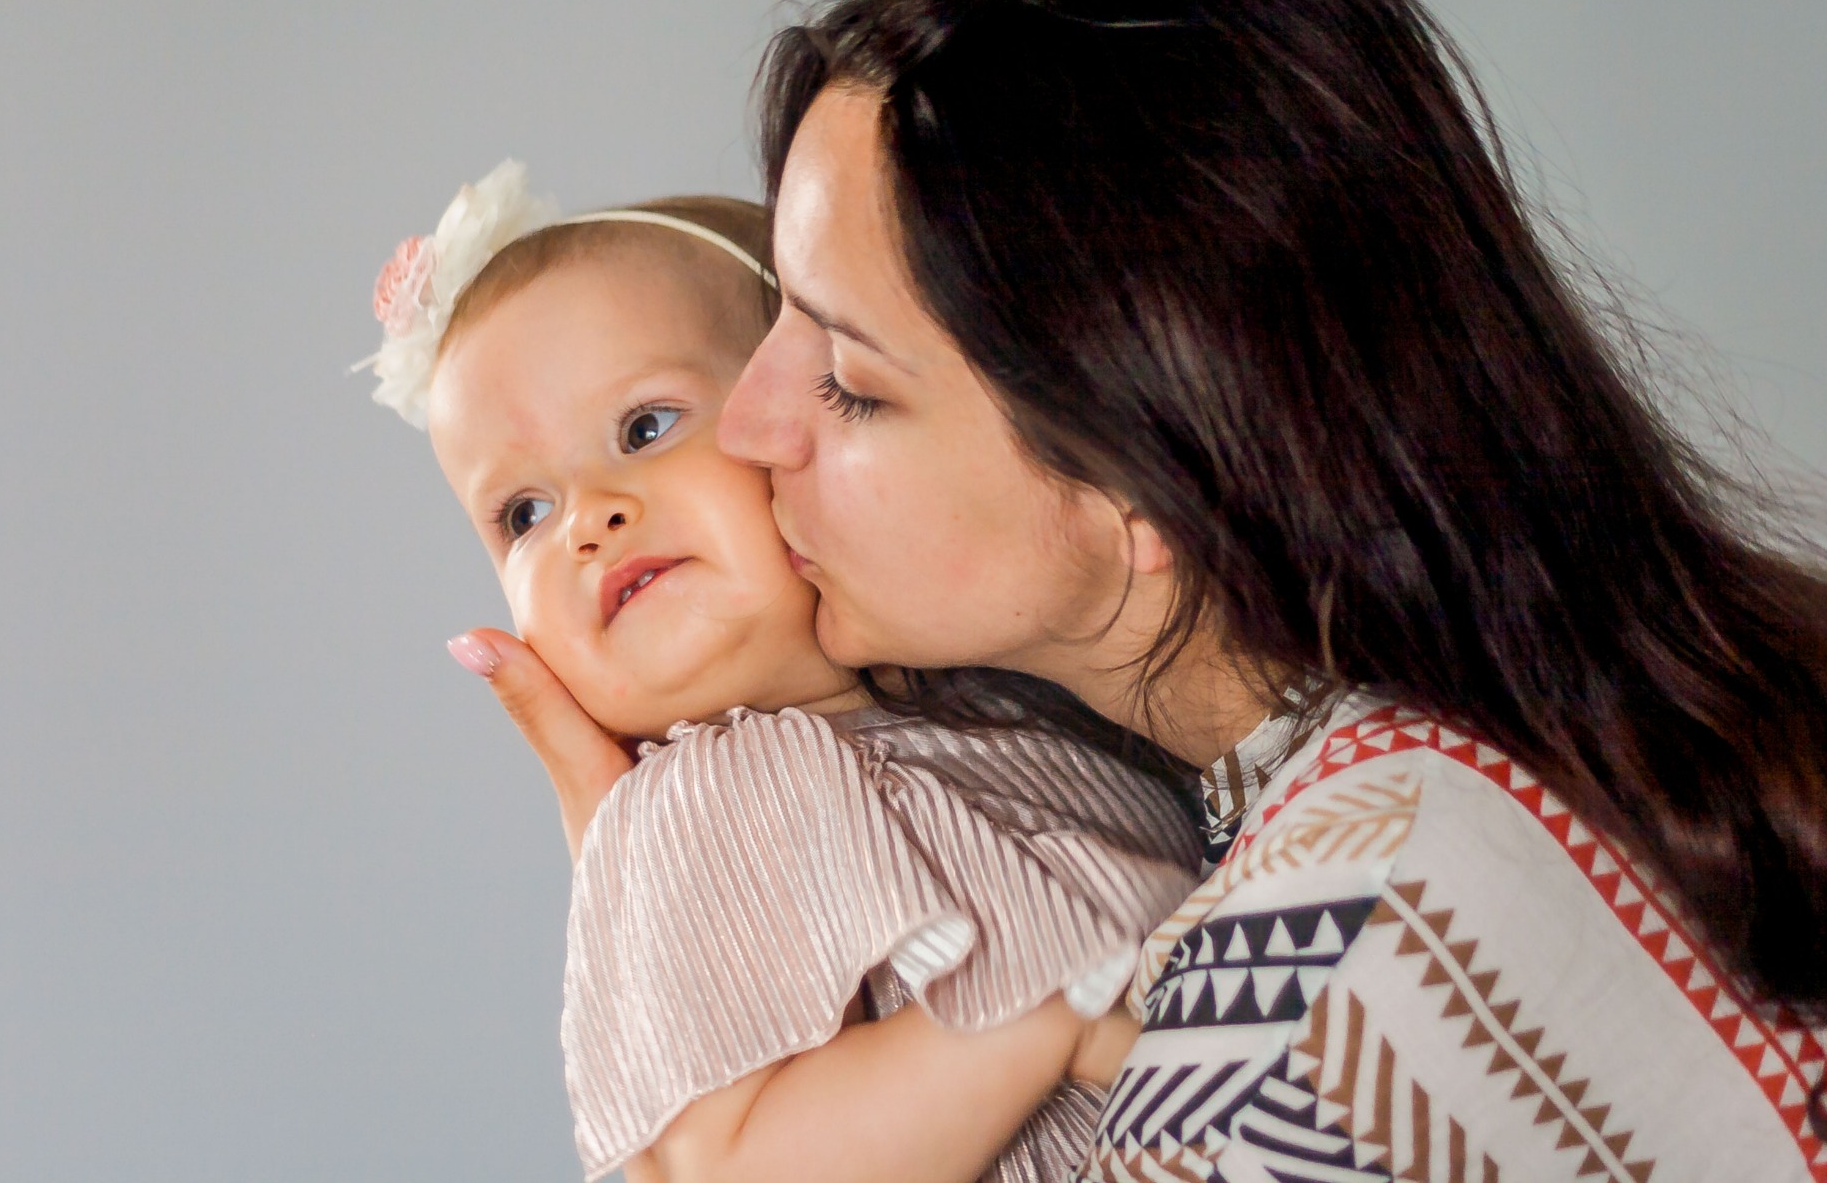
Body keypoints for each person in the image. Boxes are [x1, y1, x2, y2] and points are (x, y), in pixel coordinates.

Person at [479, 0, 1827, 1181]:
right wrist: (697, 921)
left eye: (846, 376)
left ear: (1141, 487)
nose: (748, 428)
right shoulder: (1475, 764)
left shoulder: (1300, 1006)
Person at [361, 163, 1201, 1183]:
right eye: (522, 514)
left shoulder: (1003, 702)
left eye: (643, 426)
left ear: (795, 422)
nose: (587, 516)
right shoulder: (706, 798)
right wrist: (1045, 1014)